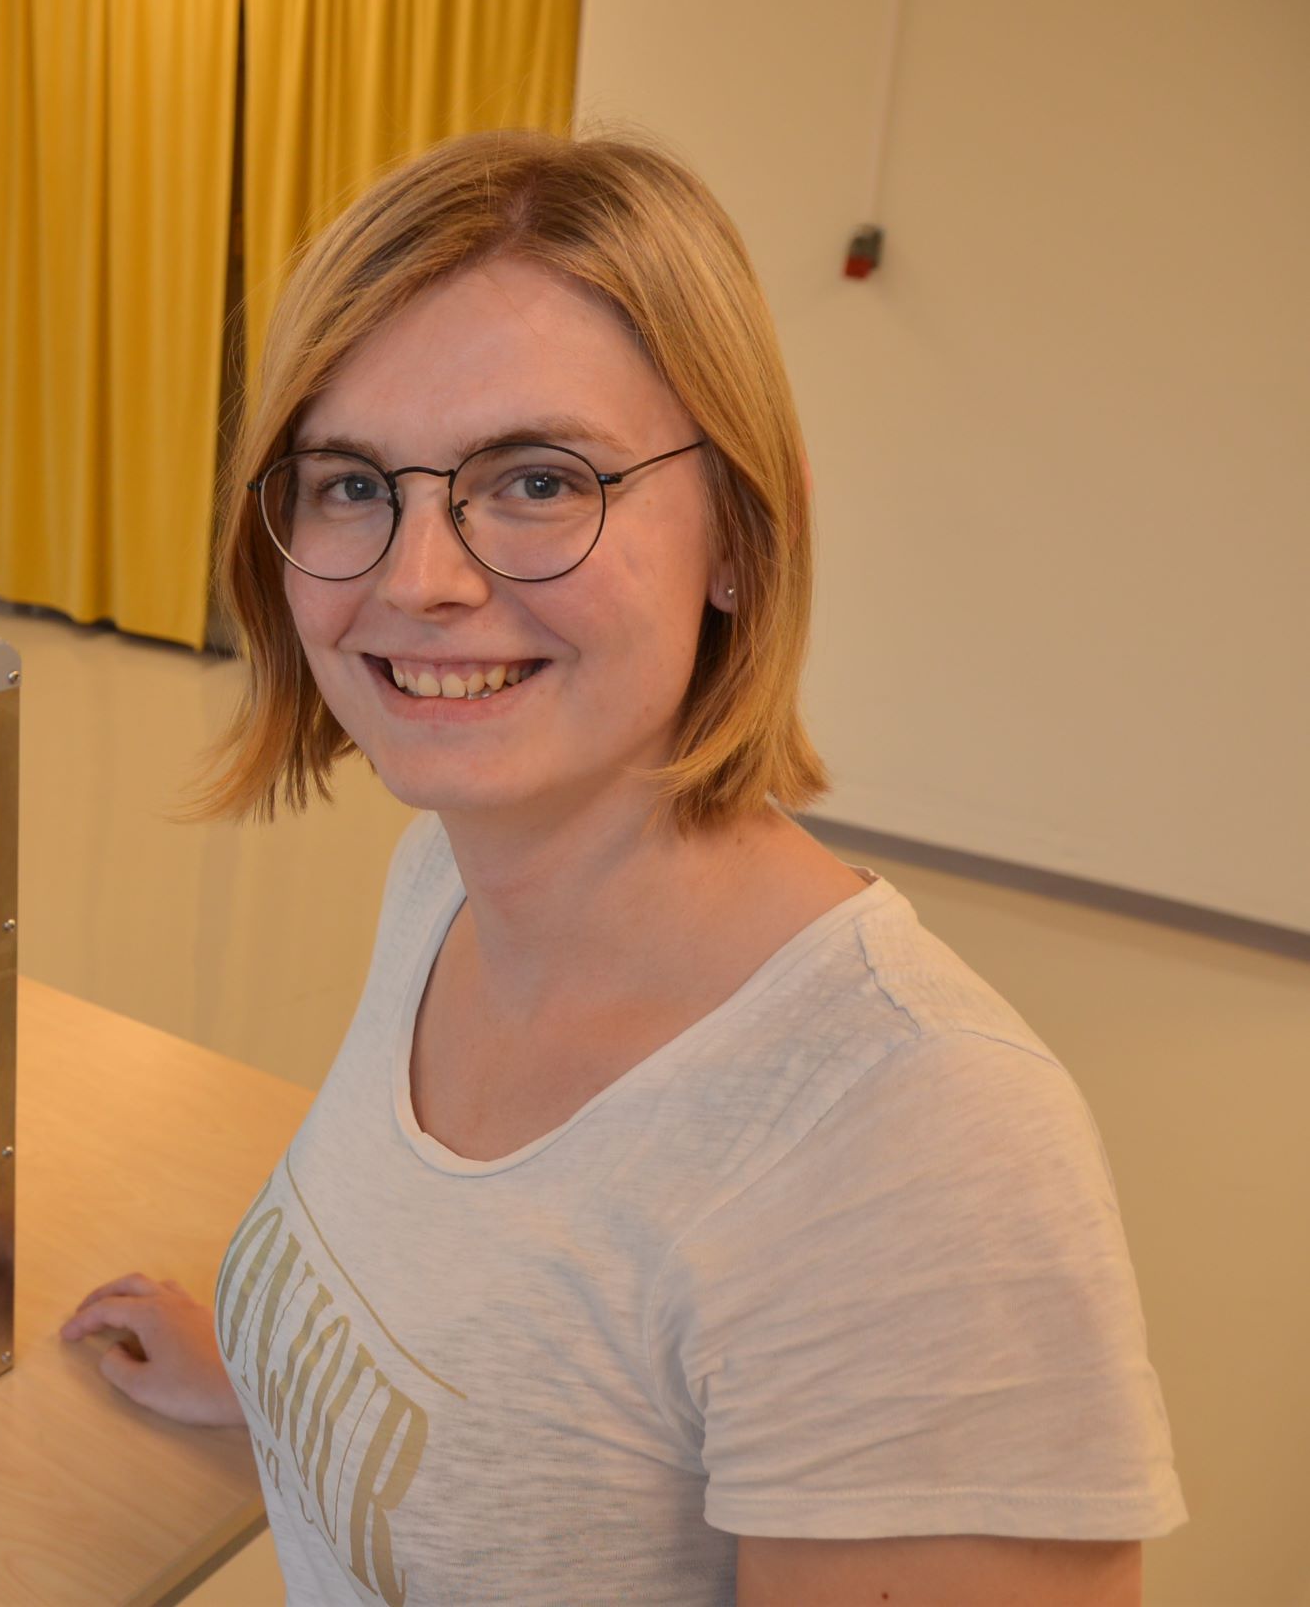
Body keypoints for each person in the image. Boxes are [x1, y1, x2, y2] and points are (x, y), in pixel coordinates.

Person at [58, 132, 1182, 1606]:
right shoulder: (444, 885)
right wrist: (267, 1366)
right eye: (349, 485)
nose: (418, 578)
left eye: (535, 477)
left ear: (736, 528)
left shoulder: (916, 1151)